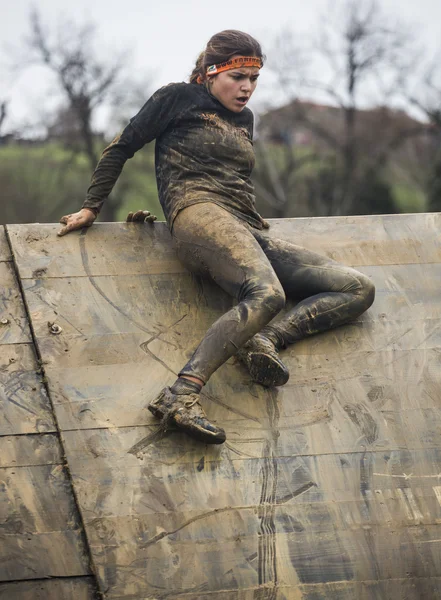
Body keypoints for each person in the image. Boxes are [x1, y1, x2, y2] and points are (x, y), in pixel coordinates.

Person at [58, 30, 375, 446]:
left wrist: (251, 217)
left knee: (357, 288)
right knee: (266, 294)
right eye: (238, 77)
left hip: (243, 225)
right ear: (211, 73)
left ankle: (264, 339)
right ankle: (179, 397)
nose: (247, 88)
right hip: (197, 214)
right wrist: (91, 207)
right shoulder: (176, 98)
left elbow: (234, 176)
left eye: (254, 79)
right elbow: (121, 147)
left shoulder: (245, 119)